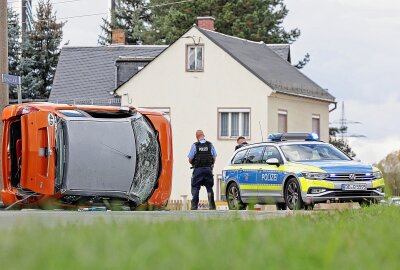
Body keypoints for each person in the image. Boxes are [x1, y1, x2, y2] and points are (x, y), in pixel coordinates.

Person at [187, 130, 217, 210]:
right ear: (203, 135)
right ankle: (212, 206)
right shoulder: (210, 145)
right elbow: (214, 157)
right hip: (208, 170)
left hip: (198, 170)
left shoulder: (195, 145)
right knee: (209, 188)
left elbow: (190, 159)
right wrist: (209, 165)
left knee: (195, 187)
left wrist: (195, 164)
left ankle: (194, 206)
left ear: (197, 136)